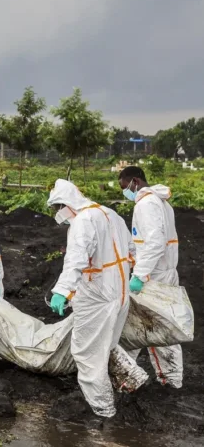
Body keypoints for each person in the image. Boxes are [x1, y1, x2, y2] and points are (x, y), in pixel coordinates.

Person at [47, 179, 133, 418]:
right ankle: (123, 388)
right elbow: (132, 250)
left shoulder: (83, 221)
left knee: (87, 354)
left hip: (97, 297)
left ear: (66, 204)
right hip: (120, 293)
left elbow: (76, 259)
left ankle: (103, 408)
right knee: (107, 346)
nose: (58, 214)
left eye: (58, 208)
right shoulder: (110, 214)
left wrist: (62, 291)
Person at [119, 166, 183, 388]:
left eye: (125, 187)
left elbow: (155, 243)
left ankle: (131, 376)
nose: (125, 192)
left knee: (146, 326)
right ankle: (165, 378)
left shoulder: (147, 204)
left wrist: (139, 274)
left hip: (153, 276)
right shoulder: (160, 202)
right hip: (162, 271)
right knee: (154, 325)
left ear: (135, 181)